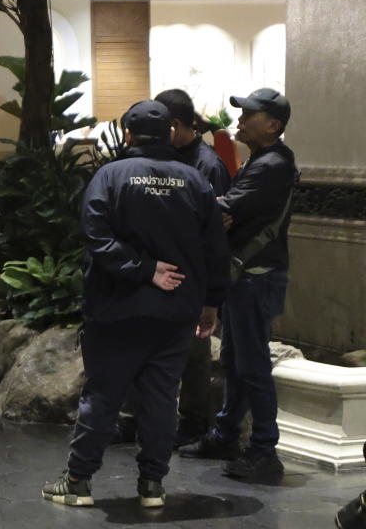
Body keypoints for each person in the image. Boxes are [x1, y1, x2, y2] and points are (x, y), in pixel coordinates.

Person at [42, 100, 228, 508]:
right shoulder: (195, 181)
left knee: (104, 396)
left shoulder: (109, 176)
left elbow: (96, 238)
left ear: (128, 133)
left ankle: (78, 483)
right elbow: (216, 247)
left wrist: (144, 270)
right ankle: (152, 487)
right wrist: (211, 301)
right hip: (176, 312)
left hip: (117, 309)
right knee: (162, 400)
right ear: (169, 133)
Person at [180, 88, 297, 480]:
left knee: (253, 365)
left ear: (273, 125)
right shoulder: (260, 160)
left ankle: (264, 450)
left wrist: (212, 209)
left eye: (250, 114)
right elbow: (226, 212)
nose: (241, 120)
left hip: (256, 277)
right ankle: (226, 434)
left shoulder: (272, 165)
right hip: (245, 276)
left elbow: (224, 209)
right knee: (236, 361)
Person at [112, 89, 233, 448]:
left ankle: (193, 422)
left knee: (194, 353)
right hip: (147, 272)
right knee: (137, 347)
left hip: (187, 277)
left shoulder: (207, 165)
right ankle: (133, 418)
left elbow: (215, 231)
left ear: (176, 126)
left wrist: (210, 292)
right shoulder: (141, 160)